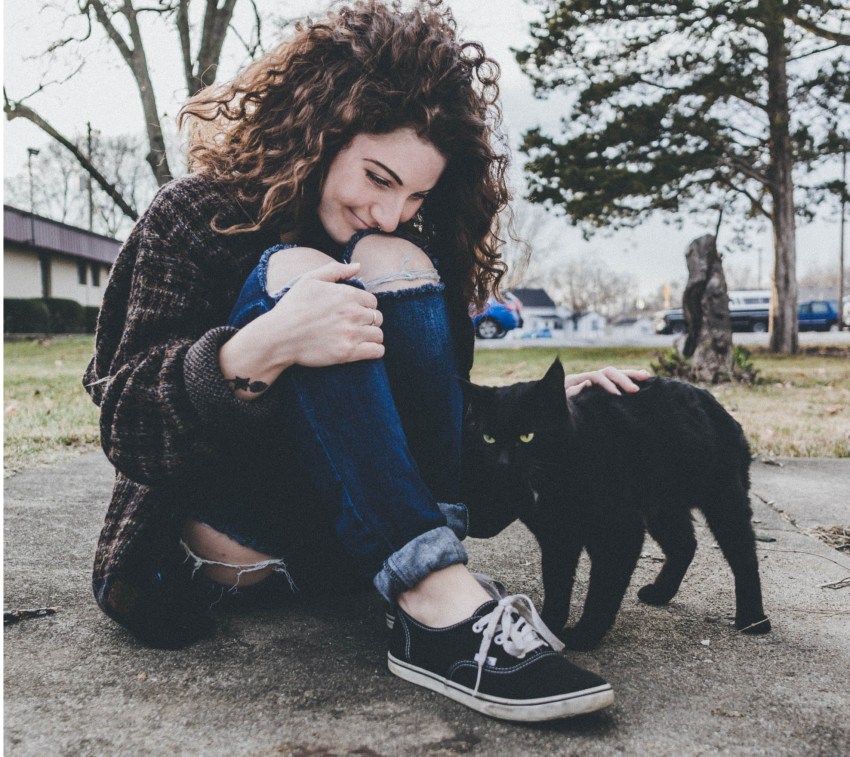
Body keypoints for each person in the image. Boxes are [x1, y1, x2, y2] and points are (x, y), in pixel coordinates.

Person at [84, 0, 648, 722]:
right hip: (227, 546)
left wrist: (551, 406)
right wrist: (266, 343)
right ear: (318, 134)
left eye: (415, 194)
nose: (391, 210)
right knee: (300, 270)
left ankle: (426, 585)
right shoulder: (196, 213)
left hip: (352, 551)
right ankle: (439, 602)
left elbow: (432, 412)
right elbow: (127, 422)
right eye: (379, 178)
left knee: (388, 260)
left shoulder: (408, 243)